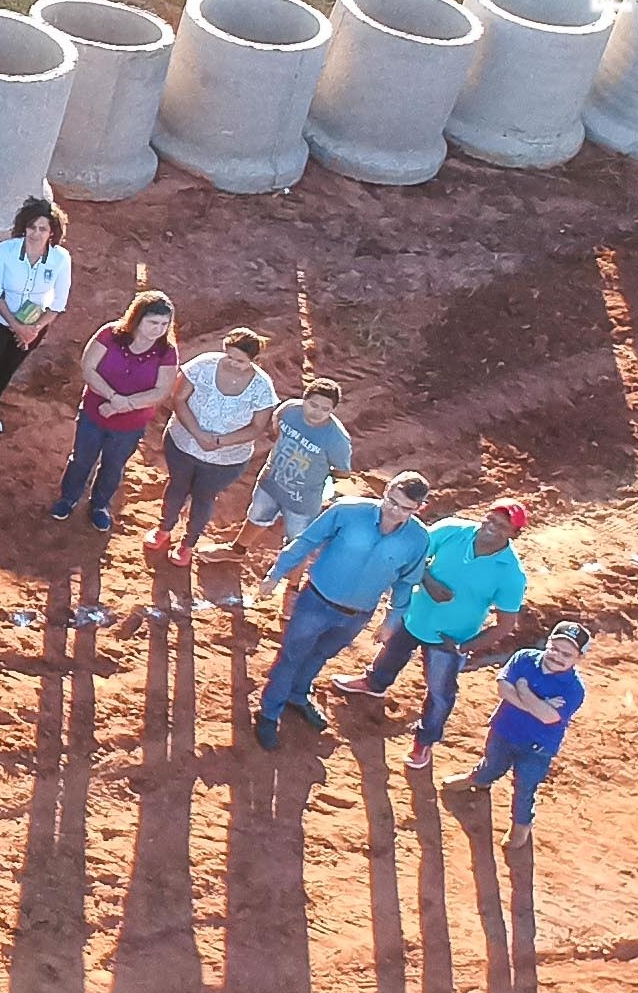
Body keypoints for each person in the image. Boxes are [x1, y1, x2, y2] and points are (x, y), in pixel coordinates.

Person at [340, 498, 530, 764]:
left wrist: (463, 647)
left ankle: (424, 741)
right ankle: (374, 684)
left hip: (449, 640)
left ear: (514, 534)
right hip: (414, 615)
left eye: (502, 526)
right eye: (490, 519)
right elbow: (414, 552)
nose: (491, 527)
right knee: (391, 654)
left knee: (440, 694)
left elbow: (505, 625)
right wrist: (427, 581)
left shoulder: (511, 575)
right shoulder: (452, 530)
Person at [151, 326, 280, 569]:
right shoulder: (203, 365)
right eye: (229, 356)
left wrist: (219, 442)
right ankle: (164, 528)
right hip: (183, 443)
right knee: (177, 487)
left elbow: (256, 428)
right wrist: (198, 434)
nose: (232, 363)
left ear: (254, 360)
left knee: (203, 497)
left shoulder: (262, 387)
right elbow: (178, 399)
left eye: (240, 361)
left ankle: (187, 545)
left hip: (226, 459)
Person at [49, 290, 179, 531]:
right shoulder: (110, 334)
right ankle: (68, 498)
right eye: (152, 322)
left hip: (130, 425)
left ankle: (99, 505)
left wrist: (123, 405)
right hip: (94, 413)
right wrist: (113, 397)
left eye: (164, 324)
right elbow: (88, 368)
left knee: (113, 465)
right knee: (81, 459)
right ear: (137, 318)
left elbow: (161, 390)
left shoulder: (167, 352)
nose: (158, 329)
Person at [459, 621, 588, 846]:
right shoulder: (525, 657)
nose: (557, 656)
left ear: (578, 658)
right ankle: (478, 781)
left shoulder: (574, 689)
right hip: (503, 730)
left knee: (524, 788)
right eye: (554, 648)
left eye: (566, 654)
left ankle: (521, 826)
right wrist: (540, 705)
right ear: (547, 643)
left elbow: (548, 718)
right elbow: (502, 689)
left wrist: (523, 690)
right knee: (492, 763)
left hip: (537, 748)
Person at [0, 198, 73, 430]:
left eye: (42, 229)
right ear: (23, 227)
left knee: (6, 369)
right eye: (31, 227)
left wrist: (34, 329)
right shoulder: (4, 252)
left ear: (52, 232)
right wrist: (18, 327)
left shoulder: (61, 259)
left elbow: (58, 303)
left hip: (33, 325)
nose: (35, 234)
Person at [239, 378, 354, 554]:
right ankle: (237, 551)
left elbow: (343, 472)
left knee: (297, 543)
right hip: (270, 482)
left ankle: (293, 582)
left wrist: (316, 477)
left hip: (303, 501)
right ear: (304, 399)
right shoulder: (289, 409)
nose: (317, 412)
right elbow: (277, 423)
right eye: (313, 405)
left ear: (333, 410)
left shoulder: (337, 440)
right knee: (256, 517)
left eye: (325, 409)